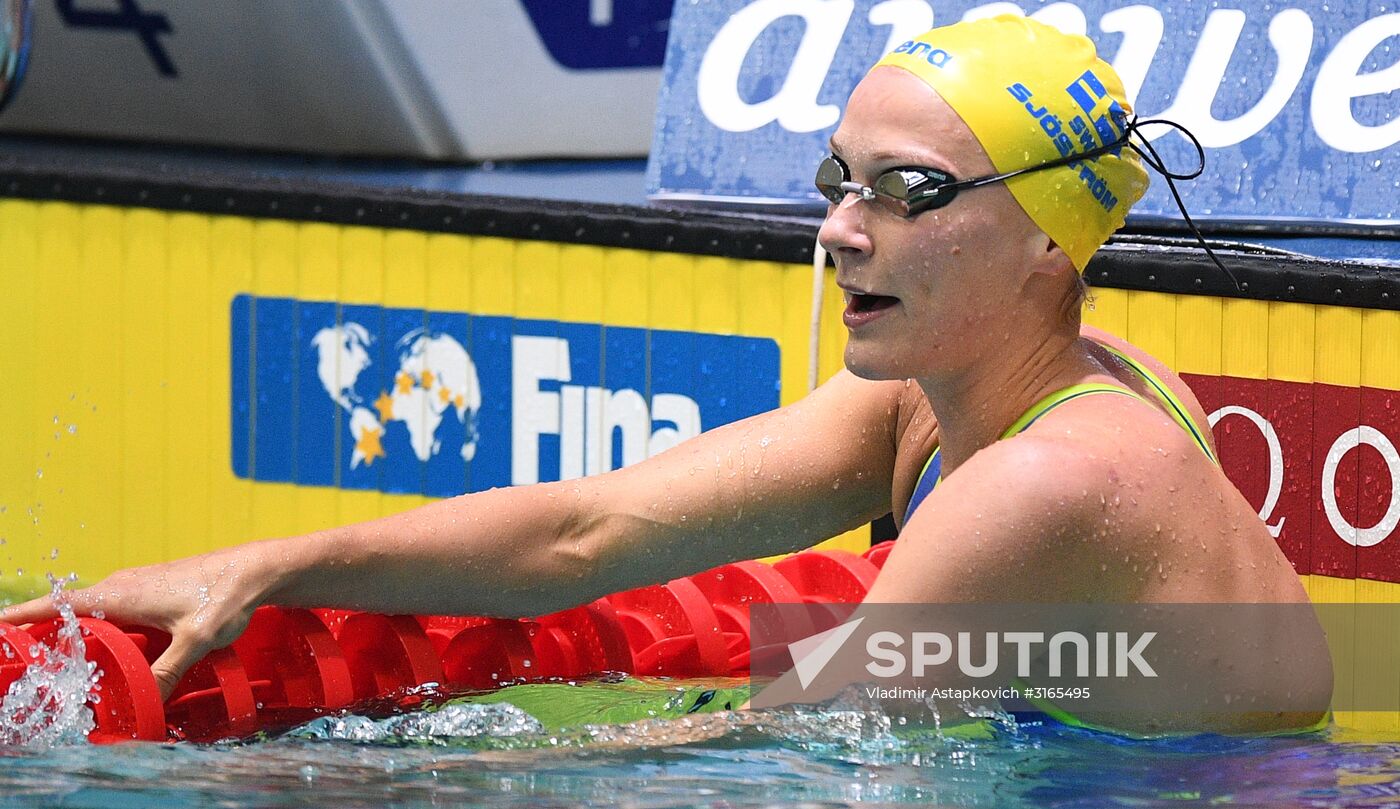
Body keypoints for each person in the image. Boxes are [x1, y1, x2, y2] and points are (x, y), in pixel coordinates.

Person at [1, 15, 1329, 734]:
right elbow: (597, 528)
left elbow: (776, 745)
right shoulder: (937, 398)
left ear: (1051, 236)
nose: (844, 229)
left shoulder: (1049, 476)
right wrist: (270, 566)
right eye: (840, 180)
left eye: (908, 193)